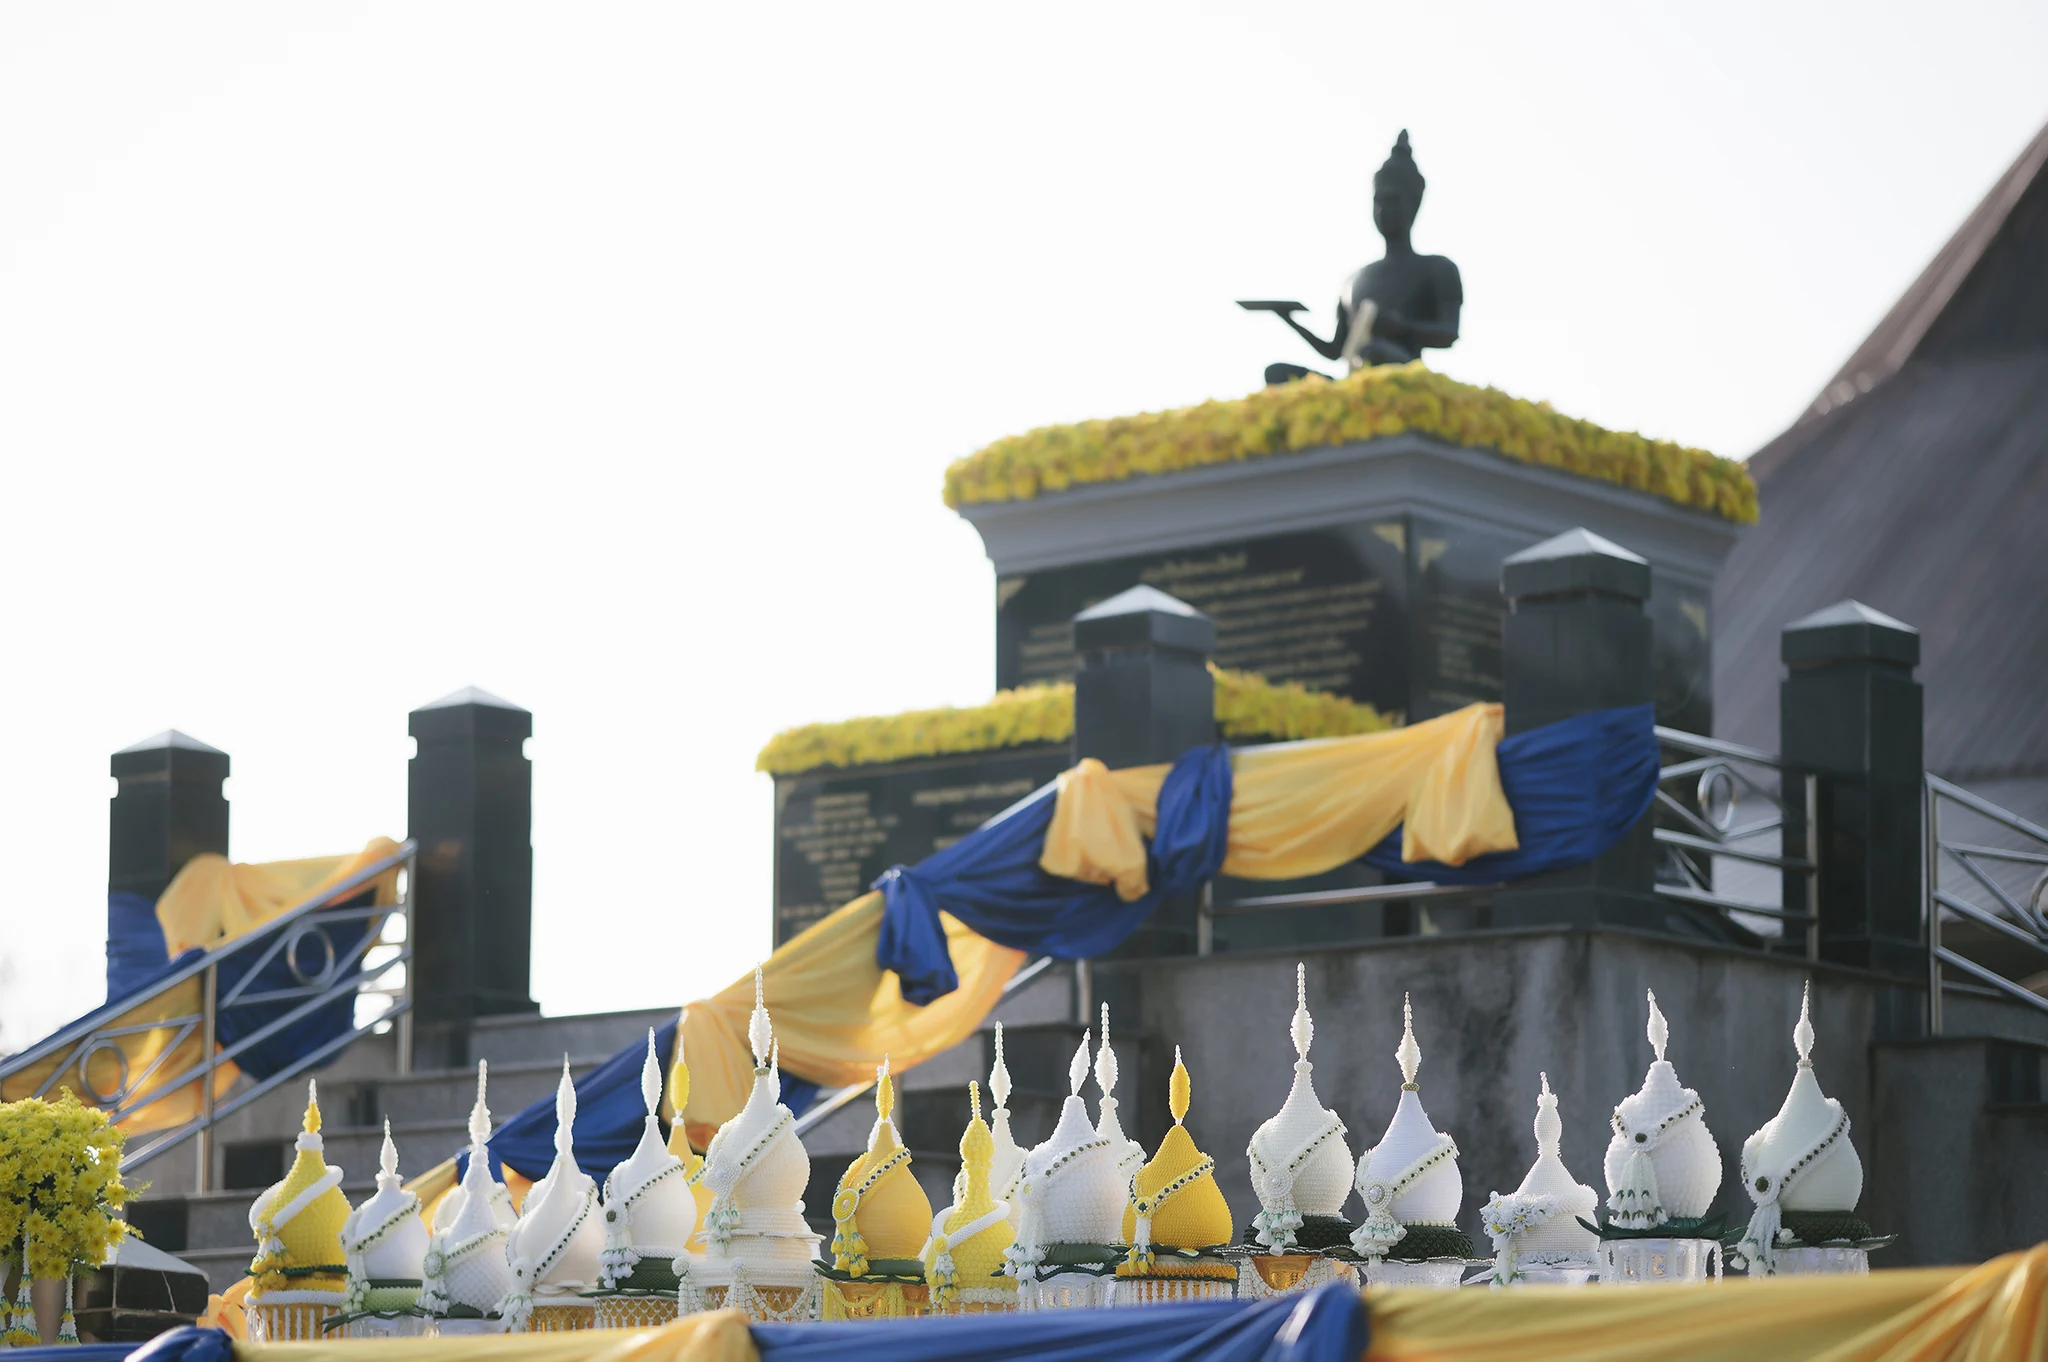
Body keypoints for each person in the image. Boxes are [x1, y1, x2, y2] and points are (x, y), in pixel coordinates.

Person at [1244, 130, 1463, 383]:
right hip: (1353, 378)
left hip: (1401, 375)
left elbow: (1448, 333)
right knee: (1277, 372)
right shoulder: (1355, 281)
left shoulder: (1436, 268)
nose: (1383, 210)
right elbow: (1337, 350)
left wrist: (1401, 328)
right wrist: (1287, 318)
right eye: (1378, 201)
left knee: (1375, 352)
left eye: (1392, 201)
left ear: (1413, 204)